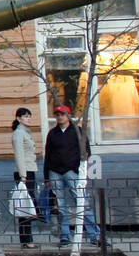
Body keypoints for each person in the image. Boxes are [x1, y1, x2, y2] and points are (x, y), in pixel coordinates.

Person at [43, 104, 100, 248]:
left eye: (62, 114)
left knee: (82, 203)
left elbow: (86, 152)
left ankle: (95, 235)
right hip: (55, 172)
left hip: (72, 172)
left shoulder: (78, 131)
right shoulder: (52, 134)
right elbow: (47, 156)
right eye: (57, 114)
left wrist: (79, 170)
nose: (60, 117)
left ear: (68, 116)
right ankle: (65, 236)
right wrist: (47, 177)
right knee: (61, 206)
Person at [11, 106, 39, 248]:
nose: (28, 119)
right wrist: (23, 175)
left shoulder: (25, 132)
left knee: (25, 206)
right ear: (18, 119)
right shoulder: (19, 133)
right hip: (25, 172)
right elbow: (19, 156)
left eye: (29, 116)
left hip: (28, 171)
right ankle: (27, 240)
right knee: (26, 206)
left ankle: (26, 240)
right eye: (25, 116)